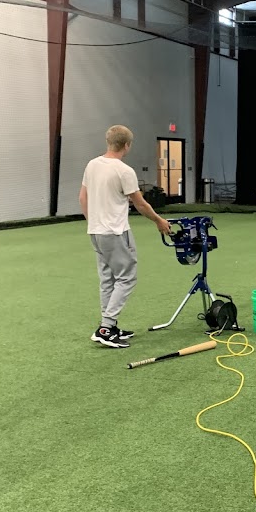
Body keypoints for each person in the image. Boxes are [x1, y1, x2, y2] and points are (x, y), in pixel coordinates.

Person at [80, 125, 171, 349]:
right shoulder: (124, 171)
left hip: (96, 231)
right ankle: (106, 328)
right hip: (115, 232)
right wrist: (159, 221)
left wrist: (93, 222)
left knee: (108, 280)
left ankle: (109, 327)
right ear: (127, 145)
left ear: (108, 141)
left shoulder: (92, 165)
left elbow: (83, 197)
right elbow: (140, 204)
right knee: (126, 278)